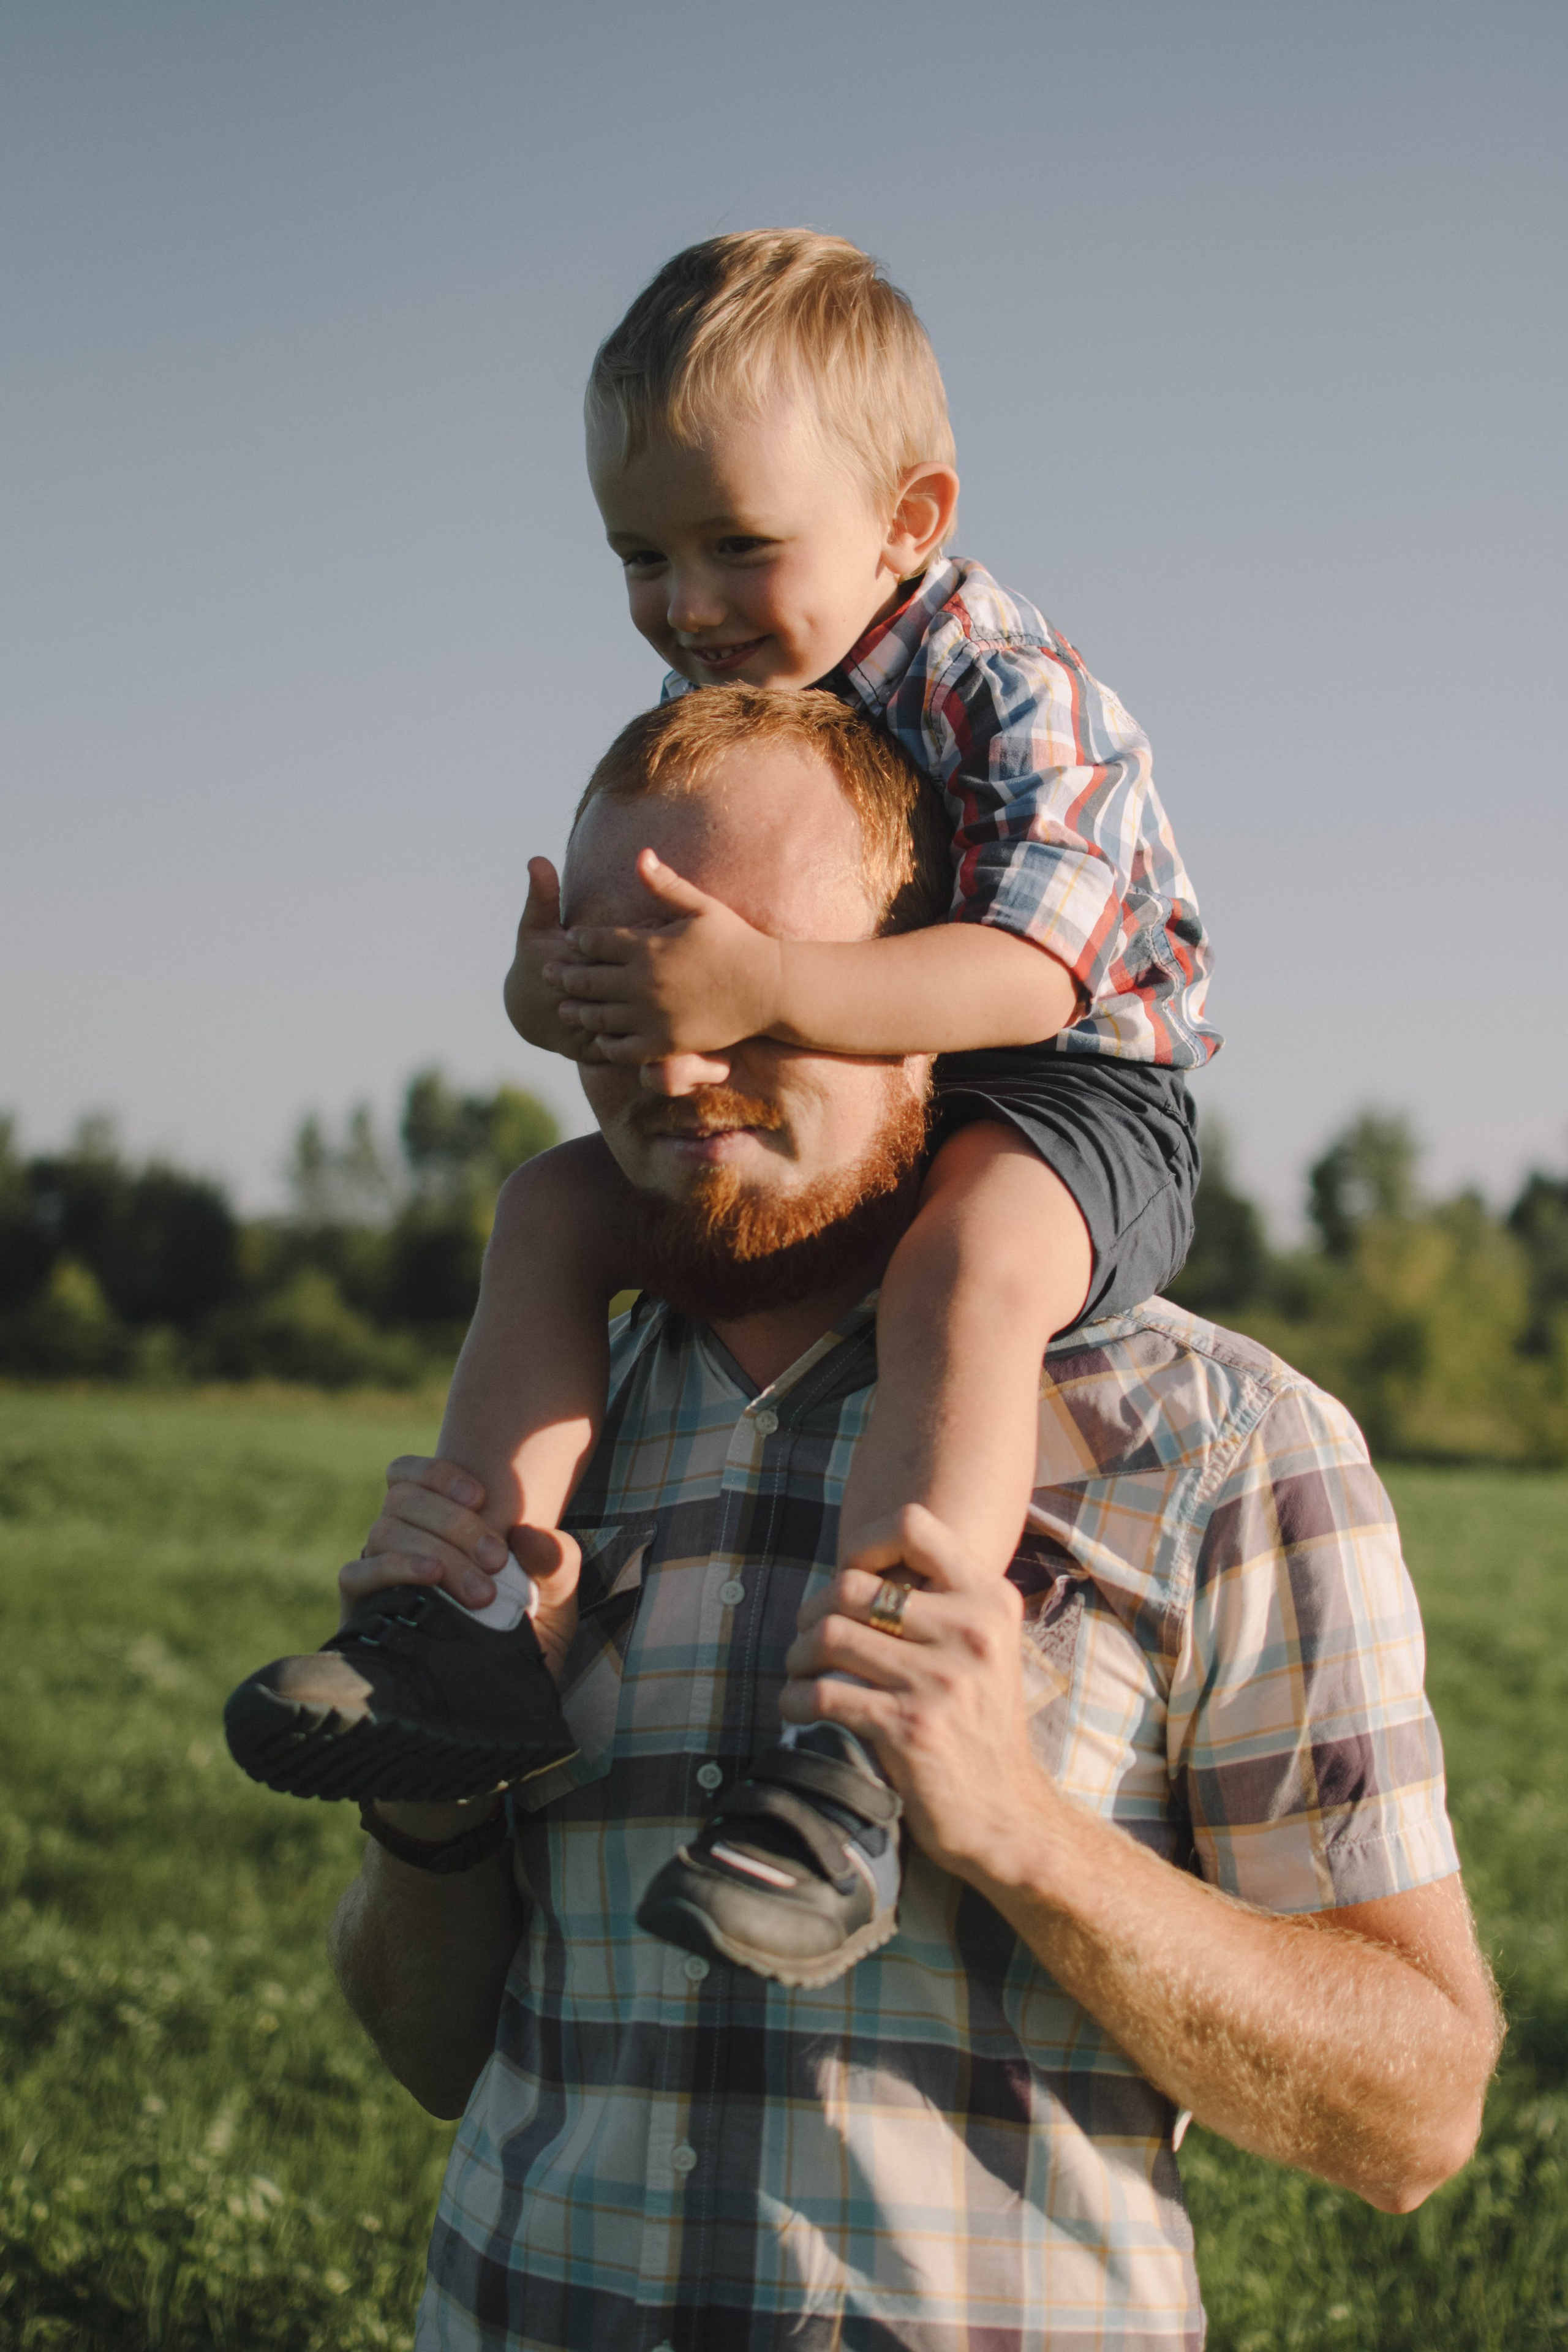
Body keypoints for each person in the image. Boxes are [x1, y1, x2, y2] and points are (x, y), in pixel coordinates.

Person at [328, 696, 1498, 2352]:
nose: (673, 1067)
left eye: (740, 987)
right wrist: (430, 1797)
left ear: (925, 984)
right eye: (620, 996)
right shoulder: (542, 1419)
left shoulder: (1226, 1450)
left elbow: (1414, 2118)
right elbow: (433, 2052)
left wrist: (1020, 1830)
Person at [226, 230, 1219, 1990]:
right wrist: (566, 996)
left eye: (736, 547)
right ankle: (471, 1634)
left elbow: (1033, 976)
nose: (686, 604)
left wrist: (767, 986)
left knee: (968, 1269)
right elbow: (675, 985)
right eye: (640, 555)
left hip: (1073, 1091)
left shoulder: (1011, 686)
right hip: (837, 1080)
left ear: (909, 517)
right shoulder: (742, 689)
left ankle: (864, 1756)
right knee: (549, 1207)